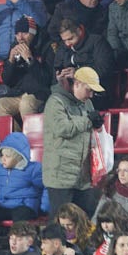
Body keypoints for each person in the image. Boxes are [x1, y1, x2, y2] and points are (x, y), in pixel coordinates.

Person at [43, 66, 103, 212]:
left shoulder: (86, 103)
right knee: (61, 222)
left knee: (85, 221)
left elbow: (88, 127)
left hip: (82, 176)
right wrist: (88, 121)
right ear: (77, 84)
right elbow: (62, 128)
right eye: (89, 90)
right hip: (60, 176)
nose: (91, 95)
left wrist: (97, 125)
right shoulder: (55, 101)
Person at [0, 18, 55, 120]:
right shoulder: (15, 46)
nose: (20, 37)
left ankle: (30, 135)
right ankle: (16, 135)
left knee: (26, 104)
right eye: (17, 34)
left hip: (39, 93)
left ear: (33, 33)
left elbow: (46, 79)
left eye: (24, 33)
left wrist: (30, 60)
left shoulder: (46, 47)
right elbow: (6, 81)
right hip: (18, 94)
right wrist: (10, 61)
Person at [0, 131, 47, 223]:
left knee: (20, 217)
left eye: (7, 156)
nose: (3, 158)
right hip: (4, 205)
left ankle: (19, 236)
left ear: (18, 157)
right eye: (2, 155)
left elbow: (45, 187)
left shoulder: (33, 169)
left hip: (25, 205)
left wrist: (44, 208)